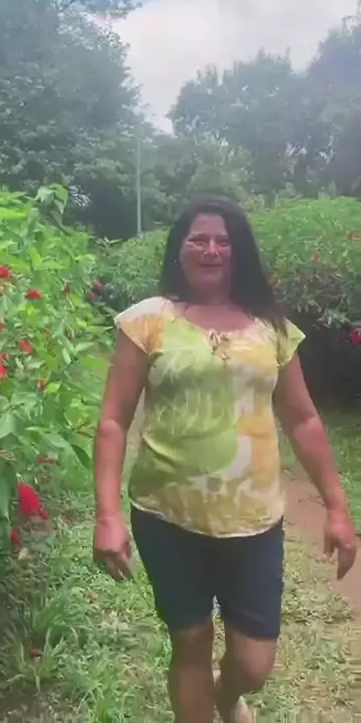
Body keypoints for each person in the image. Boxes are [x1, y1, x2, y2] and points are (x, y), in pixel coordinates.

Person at [93, 196, 357, 723]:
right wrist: (107, 515)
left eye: (223, 240)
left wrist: (336, 506)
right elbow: (114, 421)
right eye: (199, 239)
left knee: (254, 663)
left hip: (254, 521)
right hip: (166, 515)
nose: (211, 249)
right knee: (189, 639)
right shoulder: (147, 321)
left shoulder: (271, 328)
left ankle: (228, 692)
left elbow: (303, 419)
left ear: (238, 252)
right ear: (180, 248)